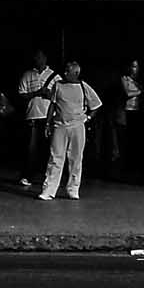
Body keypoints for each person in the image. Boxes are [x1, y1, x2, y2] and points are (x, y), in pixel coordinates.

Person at [39, 60, 101, 201]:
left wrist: (88, 118)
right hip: (60, 126)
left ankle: (73, 189)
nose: (65, 73)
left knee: (76, 159)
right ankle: (49, 190)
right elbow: (53, 105)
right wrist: (48, 123)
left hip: (77, 127)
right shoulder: (58, 85)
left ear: (76, 73)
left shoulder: (83, 86)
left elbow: (96, 105)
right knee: (55, 157)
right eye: (65, 70)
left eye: (68, 71)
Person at [16, 49, 59, 188]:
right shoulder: (27, 75)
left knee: (50, 148)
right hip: (33, 115)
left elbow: (60, 96)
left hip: (49, 116)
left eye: (41, 57)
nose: (38, 60)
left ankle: (47, 177)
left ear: (45, 58)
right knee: (31, 148)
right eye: (36, 57)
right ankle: (27, 176)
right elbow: (21, 94)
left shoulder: (55, 76)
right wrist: (37, 93)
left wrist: (49, 94)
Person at [115, 59, 142, 177]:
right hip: (126, 112)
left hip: (137, 111)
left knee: (135, 140)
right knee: (124, 140)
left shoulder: (138, 81)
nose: (133, 69)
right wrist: (140, 91)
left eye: (135, 66)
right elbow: (127, 93)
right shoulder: (124, 79)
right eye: (132, 66)